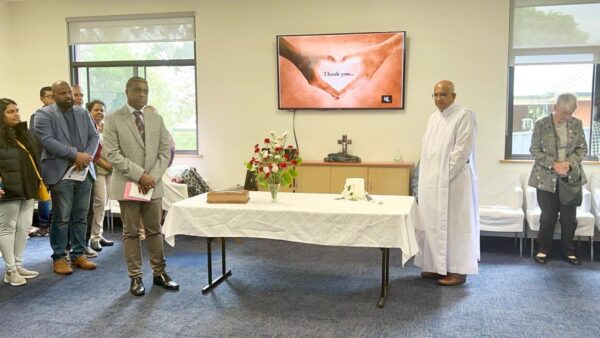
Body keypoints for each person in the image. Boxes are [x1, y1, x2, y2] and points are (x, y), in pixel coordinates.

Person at [103, 76, 179, 296]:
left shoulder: (156, 119)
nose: (142, 95)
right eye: (137, 90)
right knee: (131, 233)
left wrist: (151, 177)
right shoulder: (113, 119)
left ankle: (160, 273)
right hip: (128, 184)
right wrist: (140, 176)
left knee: (155, 230)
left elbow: (165, 152)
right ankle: (135, 277)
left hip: (152, 186)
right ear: (127, 91)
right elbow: (112, 154)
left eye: (145, 91)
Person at [415, 80, 479, 286]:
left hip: (454, 181)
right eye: (435, 95)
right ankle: (435, 267)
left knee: (455, 225)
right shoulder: (433, 118)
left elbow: (461, 152)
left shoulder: (464, 116)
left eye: (443, 94)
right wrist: (428, 178)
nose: (438, 98)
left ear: (454, 96)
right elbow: (427, 152)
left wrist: (442, 177)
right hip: (433, 182)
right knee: (432, 223)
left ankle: (458, 271)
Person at [34, 80, 99, 275]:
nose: (69, 96)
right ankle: (59, 257)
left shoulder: (81, 112)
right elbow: (47, 141)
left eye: (70, 93)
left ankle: (78, 254)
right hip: (60, 172)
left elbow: (94, 136)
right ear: (54, 96)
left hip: (84, 171)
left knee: (81, 215)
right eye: (63, 93)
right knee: (61, 217)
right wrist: (74, 155)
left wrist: (85, 157)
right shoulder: (43, 114)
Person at [529, 93, 587, 265]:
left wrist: (569, 163)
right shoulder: (541, 124)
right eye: (564, 113)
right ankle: (543, 249)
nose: (567, 117)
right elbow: (534, 149)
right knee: (548, 216)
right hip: (546, 177)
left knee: (569, 217)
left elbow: (582, 149)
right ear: (555, 108)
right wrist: (553, 164)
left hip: (570, 178)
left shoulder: (577, 124)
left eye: (570, 113)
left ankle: (568, 250)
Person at [0, 98, 41, 286]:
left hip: (27, 186)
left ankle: (18, 264)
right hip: (7, 189)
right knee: (7, 228)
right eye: (10, 111)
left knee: (24, 227)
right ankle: (10, 270)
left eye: (17, 110)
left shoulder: (22, 133)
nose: (16, 114)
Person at [86, 100, 114, 252]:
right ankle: (94, 237)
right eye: (96, 110)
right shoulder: (88, 128)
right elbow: (93, 153)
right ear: (89, 111)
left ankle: (99, 234)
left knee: (104, 203)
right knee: (99, 203)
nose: (99, 113)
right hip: (97, 169)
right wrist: (106, 165)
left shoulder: (105, 128)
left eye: (102, 110)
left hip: (110, 170)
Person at [29, 86, 54, 237]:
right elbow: (36, 139)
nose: (51, 100)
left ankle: (55, 225)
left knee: (59, 197)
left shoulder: (61, 116)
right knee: (44, 194)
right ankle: (43, 225)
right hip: (43, 160)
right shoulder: (36, 116)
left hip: (60, 161)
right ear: (42, 99)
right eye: (48, 97)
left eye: (53, 96)